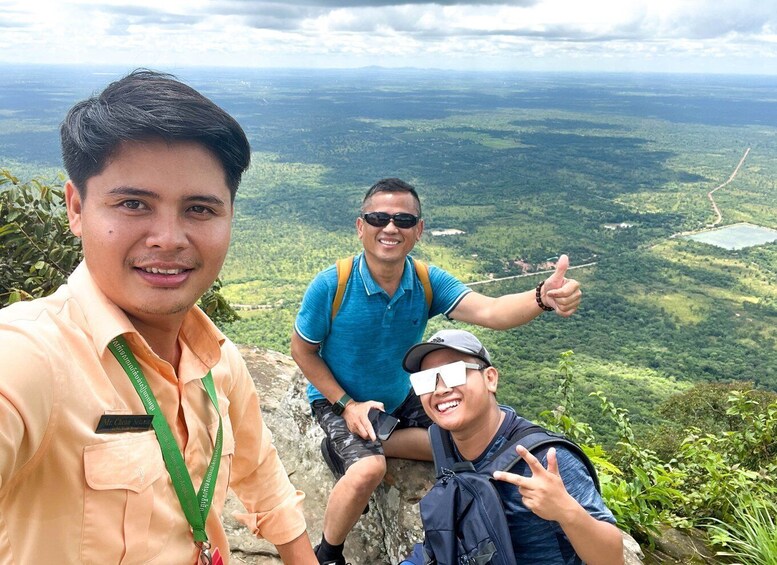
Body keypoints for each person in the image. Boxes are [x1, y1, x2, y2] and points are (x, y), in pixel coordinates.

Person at [0, 70, 317, 564]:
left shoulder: (219, 362)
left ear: (230, 215)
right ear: (77, 208)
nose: (168, 238)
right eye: (132, 204)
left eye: (199, 209)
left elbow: (263, 475)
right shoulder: (33, 357)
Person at [291, 177, 582, 565]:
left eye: (404, 220)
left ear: (419, 230)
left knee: (464, 440)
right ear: (361, 227)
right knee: (367, 470)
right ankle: (327, 553)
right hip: (338, 397)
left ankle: (370, 441)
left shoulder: (426, 281)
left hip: (398, 394)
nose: (390, 227)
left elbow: (490, 312)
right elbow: (302, 351)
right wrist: (347, 405)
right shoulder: (332, 285)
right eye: (378, 217)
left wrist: (540, 297)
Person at [402, 329, 623, 564]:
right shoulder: (443, 442)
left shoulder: (543, 458)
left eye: (454, 372)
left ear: (490, 379)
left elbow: (613, 559)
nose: (440, 389)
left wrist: (566, 511)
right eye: (426, 379)